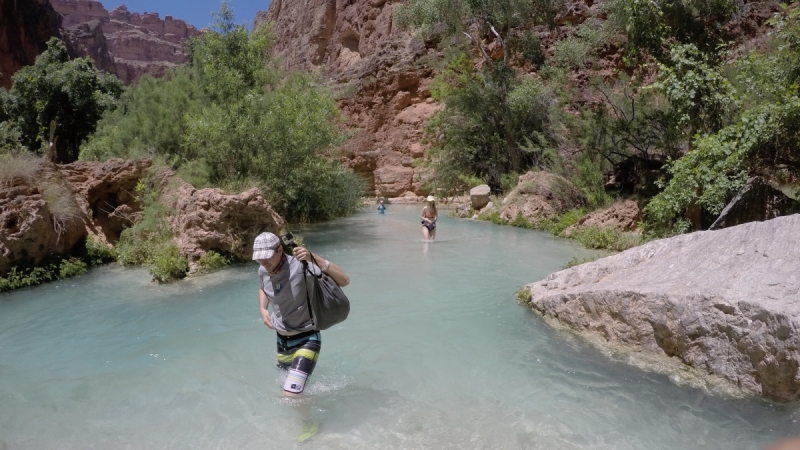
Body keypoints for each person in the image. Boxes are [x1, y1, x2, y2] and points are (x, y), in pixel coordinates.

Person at [253, 232, 350, 442]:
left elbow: (344, 280)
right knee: (286, 386)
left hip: (307, 337)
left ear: (280, 250)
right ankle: (315, 403)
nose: (264, 261)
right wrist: (262, 309)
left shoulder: (301, 266)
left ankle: (310, 423)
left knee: (290, 395)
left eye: (267, 256)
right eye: (259, 257)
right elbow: (263, 287)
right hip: (282, 340)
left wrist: (314, 257)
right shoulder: (263, 269)